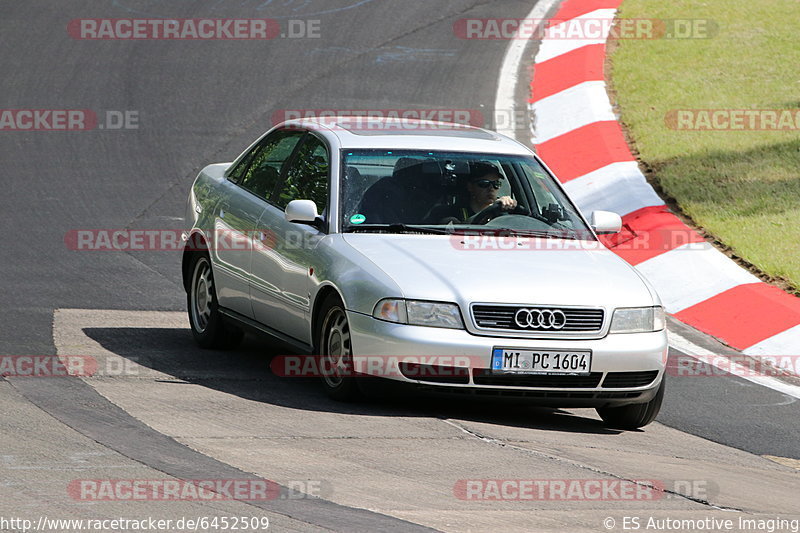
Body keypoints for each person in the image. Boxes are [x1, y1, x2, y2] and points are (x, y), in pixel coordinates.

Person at [425, 162, 518, 224]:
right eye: (484, 184)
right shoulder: (448, 212)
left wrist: (511, 206)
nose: (491, 188)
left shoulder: (503, 212)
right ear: (470, 187)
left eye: (496, 184)